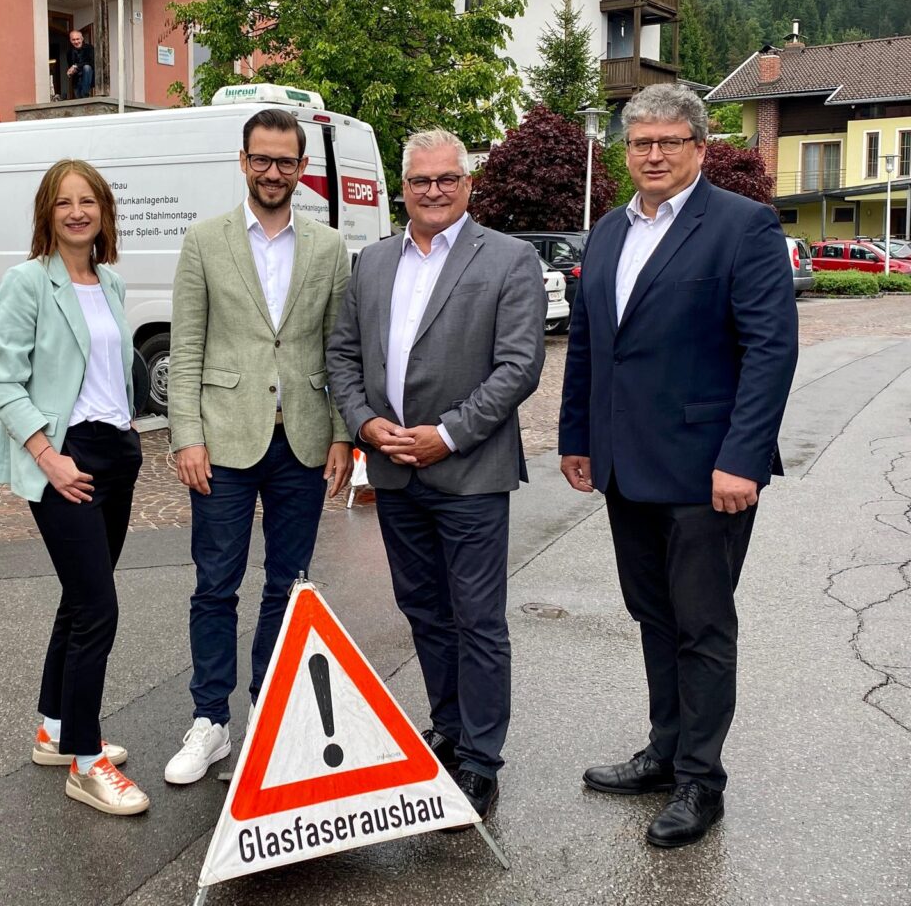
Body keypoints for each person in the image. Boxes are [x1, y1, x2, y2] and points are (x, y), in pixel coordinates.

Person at [559, 84, 798, 848]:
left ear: (699, 147)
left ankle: (701, 780)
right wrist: (576, 437)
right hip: (626, 468)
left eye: (669, 141)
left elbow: (771, 350)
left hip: (707, 473)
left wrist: (742, 459)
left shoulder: (742, 226)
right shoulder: (607, 234)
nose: (653, 155)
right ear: (626, 151)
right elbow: (593, 346)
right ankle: (664, 752)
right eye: (640, 142)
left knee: (700, 625)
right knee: (653, 616)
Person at [326, 129, 547, 824]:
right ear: (403, 187)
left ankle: (481, 759)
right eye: (421, 180)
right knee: (424, 611)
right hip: (392, 471)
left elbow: (518, 367)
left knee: (477, 618)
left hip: (470, 470)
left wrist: (446, 434)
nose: (434, 190)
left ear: (468, 182)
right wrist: (364, 424)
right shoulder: (372, 262)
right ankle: (448, 729)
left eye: (447, 178)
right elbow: (342, 356)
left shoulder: (509, 259)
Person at [164, 108, 353, 784]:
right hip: (221, 441)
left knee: (288, 584)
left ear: (302, 169)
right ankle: (209, 723)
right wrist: (186, 435)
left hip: (301, 440)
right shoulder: (204, 240)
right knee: (215, 585)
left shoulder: (328, 247)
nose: (273, 172)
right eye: (261, 160)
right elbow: (185, 349)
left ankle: (269, 716)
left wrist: (340, 435)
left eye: (286, 162)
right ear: (243, 161)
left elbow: (339, 352)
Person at [0, 159, 149, 815]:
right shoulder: (27, 283)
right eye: (64, 203)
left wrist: (130, 433)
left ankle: (56, 728)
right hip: (66, 459)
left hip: (116, 452)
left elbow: (109, 368)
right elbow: (3, 382)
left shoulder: (108, 282)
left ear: (103, 212)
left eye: (89, 201)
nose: (77, 212)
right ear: (47, 214)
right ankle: (86, 762)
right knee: (99, 611)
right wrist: (48, 456)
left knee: (81, 603)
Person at [67, 31, 94, 99]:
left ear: (82, 39)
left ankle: (85, 94)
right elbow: (71, 66)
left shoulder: (89, 48)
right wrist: (71, 72)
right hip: (77, 80)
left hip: (87, 79)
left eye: (77, 39)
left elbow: (91, 63)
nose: (76, 42)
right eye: (73, 40)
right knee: (79, 103)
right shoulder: (69, 52)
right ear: (70, 40)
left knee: (87, 67)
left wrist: (76, 66)